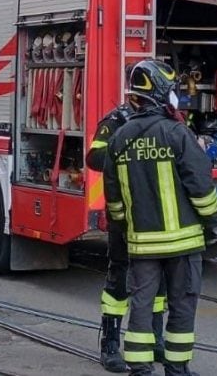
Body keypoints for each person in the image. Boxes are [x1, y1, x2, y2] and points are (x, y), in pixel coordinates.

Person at [105, 60, 217, 376]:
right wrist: (212, 223)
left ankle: (140, 369)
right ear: (161, 95)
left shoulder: (119, 139)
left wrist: (126, 230)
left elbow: (114, 201)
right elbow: (201, 187)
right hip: (184, 245)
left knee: (141, 305)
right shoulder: (177, 134)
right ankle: (176, 369)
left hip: (142, 246)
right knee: (182, 304)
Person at [86, 91, 166, 372]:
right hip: (125, 213)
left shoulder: (164, 119)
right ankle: (109, 345)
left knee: (159, 279)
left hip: (155, 214)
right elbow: (94, 156)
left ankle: (155, 340)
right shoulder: (116, 120)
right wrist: (127, 148)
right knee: (119, 278)